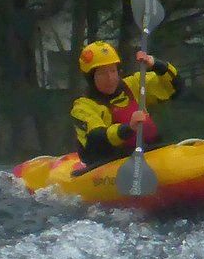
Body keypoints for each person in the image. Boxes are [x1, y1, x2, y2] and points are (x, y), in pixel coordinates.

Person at [70, 40, 180, 170]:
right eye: (102, 73)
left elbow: (174, 88)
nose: (110, 78)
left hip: (151, 154)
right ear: (91, 79)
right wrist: (128, 128)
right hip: (107, 165)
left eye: (112, 71)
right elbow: (97, 138)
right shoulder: (82, 107)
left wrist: (157, 65)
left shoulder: (134, 85)